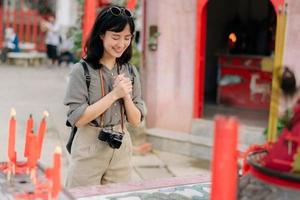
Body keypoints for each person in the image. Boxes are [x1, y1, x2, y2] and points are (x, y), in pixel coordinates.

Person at [63, 5, 146, 188]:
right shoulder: (82, 71)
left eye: (127, 38)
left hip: (121, 148)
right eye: (115, 37)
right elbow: (78, 119)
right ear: (101, 35)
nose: (121, 44)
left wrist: (125, 96)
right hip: (89, 147)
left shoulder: (130, 71)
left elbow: (136, 120)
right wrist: (114, 94)